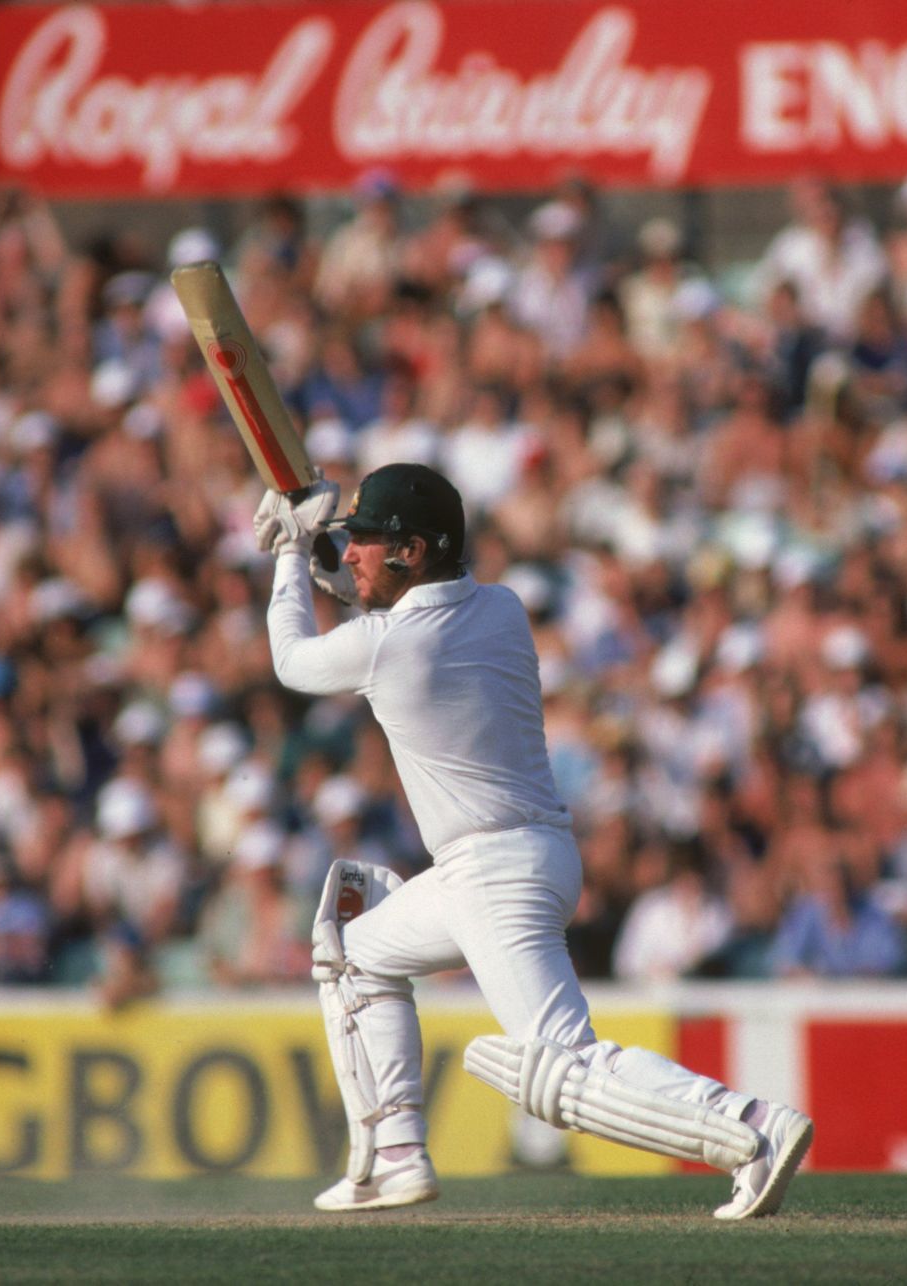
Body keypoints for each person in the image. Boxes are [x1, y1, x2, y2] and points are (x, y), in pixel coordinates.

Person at [254, 462, 811, 1218]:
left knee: (562, 1066)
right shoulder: (502, 608)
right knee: (352, 953)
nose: (351, 554)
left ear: (412, 551)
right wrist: (322, 544)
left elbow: (292, 660)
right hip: (519, 859)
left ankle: (753, 1128)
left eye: (366, 541)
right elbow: (373, 602)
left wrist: (290, 553)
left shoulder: (391, 644)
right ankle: (394, 1157)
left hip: (494, 876)